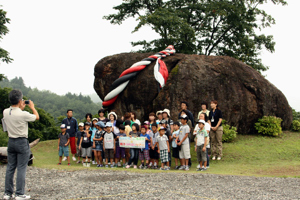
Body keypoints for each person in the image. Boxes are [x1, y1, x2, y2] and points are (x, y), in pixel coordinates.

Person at [3, 89, 39, 200]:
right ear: (20, 100)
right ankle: (19, 193)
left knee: (10, 167)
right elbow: (37, 117)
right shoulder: (23, 114)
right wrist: (32, 107)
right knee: (22, 167)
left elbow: (15, 113)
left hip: (11, 141)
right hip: (22, 142)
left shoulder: (5, 111)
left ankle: (7, 193)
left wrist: (20, 107)